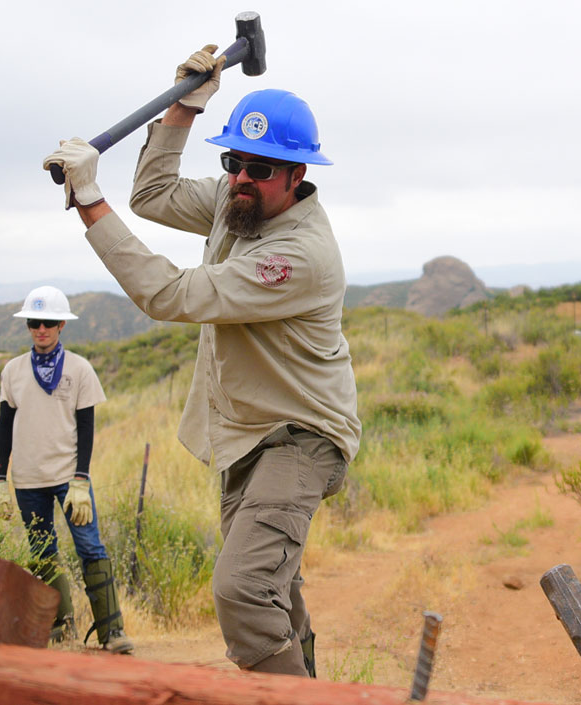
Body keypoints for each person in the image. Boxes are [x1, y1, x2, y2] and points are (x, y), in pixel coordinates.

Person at [41, 46, 360, 677]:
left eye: (261, 169)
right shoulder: (235, 202)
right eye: (233, 161)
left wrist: (87, 198)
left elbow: (172, 295)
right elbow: (154, 192)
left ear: (297, 175)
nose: (242, 177)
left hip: (300, 437)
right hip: (248, 436)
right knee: (276, 593)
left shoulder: (298, 254)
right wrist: (186, 108)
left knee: (242, 589)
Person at [0, 285, 133, 654]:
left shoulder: (80, 369)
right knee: (42, 552)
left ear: (61, 326)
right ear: (28, 326)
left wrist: (82, 479)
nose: (41, 329)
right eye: (34, 322)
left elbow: (86, 427)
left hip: (69, 480)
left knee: (90, 547)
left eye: (49, 322)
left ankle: (112, 632)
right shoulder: (13, 371)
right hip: (27, 479)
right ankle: (60, 628)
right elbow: (4, 426)